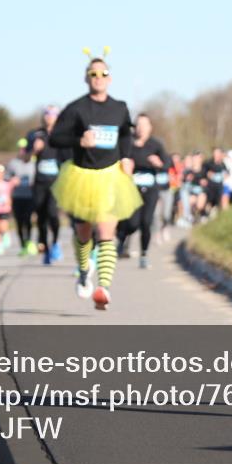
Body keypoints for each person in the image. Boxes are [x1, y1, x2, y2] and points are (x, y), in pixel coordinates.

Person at [48, 52, 142, 310]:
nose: (98, 78)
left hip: (110, 177)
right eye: (93, 74)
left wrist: (126, 158)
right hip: (81, 177)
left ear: (110, 79)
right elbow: (54, 138)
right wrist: (78, 141)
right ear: (86, 78)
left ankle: (104, 287)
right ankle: (82, 269)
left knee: (106, 234)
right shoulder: (76, 108)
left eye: (103, 74)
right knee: (83, 234)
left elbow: (125, 135)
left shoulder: (120, 108)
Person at [115, 113, 168, 269]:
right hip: (131, 188)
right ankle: (122, 237)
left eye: (144, 125)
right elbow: (115, 160)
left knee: (146, 222)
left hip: (151, 189)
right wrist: (124, 165)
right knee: (132, 223)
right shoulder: (127, 143)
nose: (141, 128)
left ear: (150, 128)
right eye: (138, 125)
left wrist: (158, 164)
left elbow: (167, 165)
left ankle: (144, 254)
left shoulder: (156, 145)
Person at [26, 106, 70, 264]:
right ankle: (45, 246)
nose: (49, 116)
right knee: (41, 216)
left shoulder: (63, 135)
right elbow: (24, 157)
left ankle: (56, 242)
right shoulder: (35, 134)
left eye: (53, 114)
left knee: (53, 213)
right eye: (46, 113)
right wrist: (33, 150)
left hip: (57, 181)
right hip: (39, 181)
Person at [8, 139, 38, 256]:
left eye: (24, 148)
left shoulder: (34, 163)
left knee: (28, 220)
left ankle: (29, 242)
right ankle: (22, 245)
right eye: (20, 148)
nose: (22, 151)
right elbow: (5, 178)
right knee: (19, 222)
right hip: (17, 196)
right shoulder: (13, 163)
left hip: (30, 196)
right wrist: (11, 181)